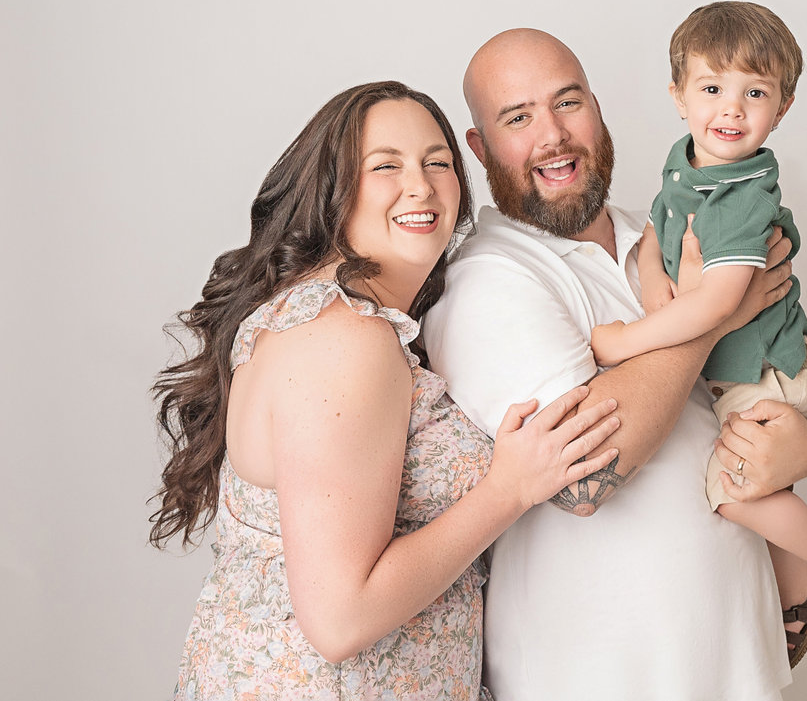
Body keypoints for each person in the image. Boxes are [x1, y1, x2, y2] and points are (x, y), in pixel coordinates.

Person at [149, 81, 623, 700]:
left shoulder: (363, 327)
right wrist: (509, 489)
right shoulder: (344, 338)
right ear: (332, 190)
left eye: (437, 163)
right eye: (386, 167)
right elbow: (340, 619)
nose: (421, 186)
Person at [422, 30, 807, 700]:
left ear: (597, 107)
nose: (552, 135)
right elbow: (587, 473)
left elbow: (793, 366)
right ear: (479, 148)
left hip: (740, 666)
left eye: (567, 103)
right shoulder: (487, 280)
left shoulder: (663, 229)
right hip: (596, 680)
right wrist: (715, 316)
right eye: (517, 117)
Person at [590, 1, 807, 666]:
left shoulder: (742, 194)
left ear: (781, 109)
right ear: (677, 96)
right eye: (711, 89)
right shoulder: (686, 163)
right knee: (757, 484)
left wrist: (628, 340)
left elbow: (719, 304)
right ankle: (796, 603)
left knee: (731, 491)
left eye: (755, 93)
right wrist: (655, 278)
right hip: (744, 369)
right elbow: (658, 229)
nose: (730, 110)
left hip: (772, 369)